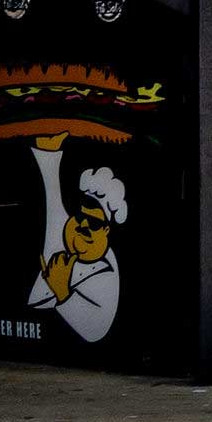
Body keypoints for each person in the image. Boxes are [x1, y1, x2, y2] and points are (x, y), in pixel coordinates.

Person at [24, 138, 125, 343]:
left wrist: (61, 290)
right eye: (80, 217)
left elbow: (95, 330)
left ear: (106, 229)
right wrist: (48, 149)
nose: (84, 226)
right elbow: (51, 194)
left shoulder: (105, 272)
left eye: (94, 223)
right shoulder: (65, 228)